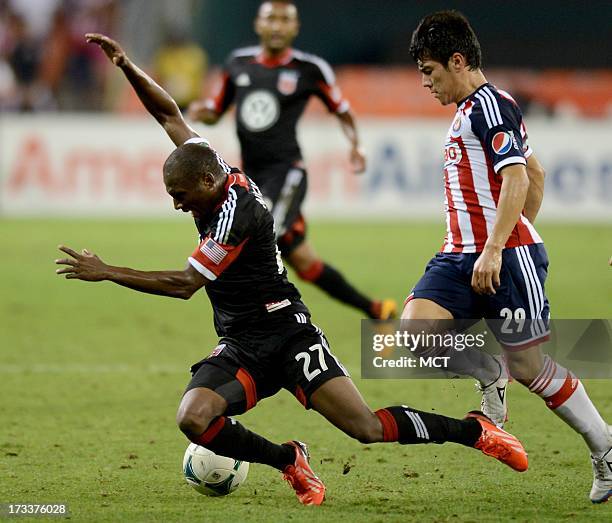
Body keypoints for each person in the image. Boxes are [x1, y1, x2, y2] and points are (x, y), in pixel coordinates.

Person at [56, 32, 530, 507]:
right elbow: (168, 115)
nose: (178, 206)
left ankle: (475, 432)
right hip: (243, 342)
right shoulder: (210, 168)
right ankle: (289, 459)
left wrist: (107, 271)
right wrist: (126, 65)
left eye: (179, 196)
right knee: (194, 418)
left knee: (365, 427)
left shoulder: (236, 215)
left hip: (288, 333)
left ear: (204, 183)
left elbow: (185, 285)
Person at [405, 10, 611, 503]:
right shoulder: (467, 111)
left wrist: (503, 244)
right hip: (458, 255)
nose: (427, 85)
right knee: (414, 335)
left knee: (531, 367)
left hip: (503, 257)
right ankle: (487, 373)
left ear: (458, 61)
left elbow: (519, 177)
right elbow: (535, 172)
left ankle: (604, 447)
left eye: (430, 73)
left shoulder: (490, 106)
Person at [187, 0, 396, 321]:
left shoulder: (309, 69)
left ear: (295, 28)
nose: (277, 26)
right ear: (258, 24)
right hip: (251, 177)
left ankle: (278, 320)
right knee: (303, 260)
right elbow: (217, 110)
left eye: (285, 20)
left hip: (287, 172)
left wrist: (357, 146)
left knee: (260, 233)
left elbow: (342, 111)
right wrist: (204, 112)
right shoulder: (238, 64)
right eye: (271, 19)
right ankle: (374, 309)